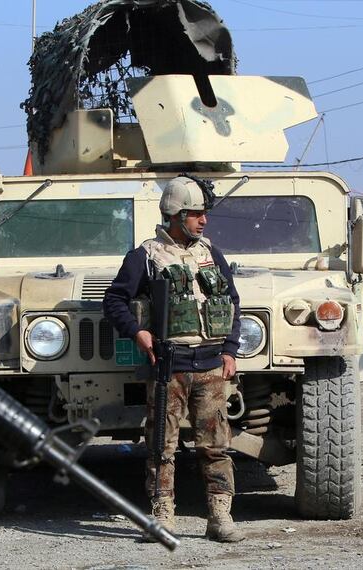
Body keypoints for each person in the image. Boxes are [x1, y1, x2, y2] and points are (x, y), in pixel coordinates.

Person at [103, 176, 243, 542]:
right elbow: (114, 301)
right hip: (169, 366)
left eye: (203, 214)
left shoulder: (211, 254)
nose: (204, 221)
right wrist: (138, 332)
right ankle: (163, 515)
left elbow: (232, 302)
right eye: (196, 214)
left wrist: (230, 348)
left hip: (212, 366)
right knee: (161, 446)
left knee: (216, 445)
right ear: (176, 216)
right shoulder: (145, 257)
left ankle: (220, 516)